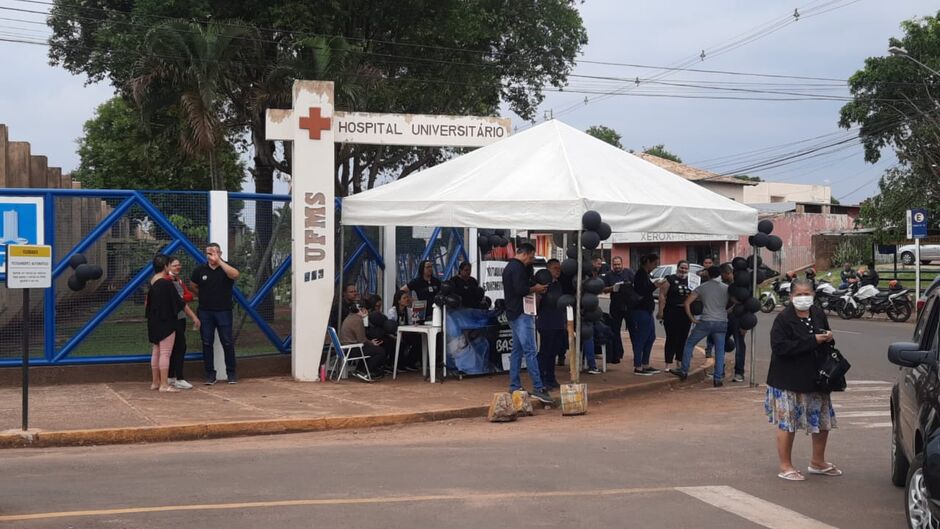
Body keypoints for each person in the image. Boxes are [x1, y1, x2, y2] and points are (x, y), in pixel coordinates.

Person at [765, 278, 840, 481]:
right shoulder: (783, 318)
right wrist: (812, 341)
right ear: (790, 296)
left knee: (822, 422)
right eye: (799, 294)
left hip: (816, 378)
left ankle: (818, 461)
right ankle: (785, 465)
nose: (803, 298)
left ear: (814, 295)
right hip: (788, 380)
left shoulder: (817, 313)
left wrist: (828, 338)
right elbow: (779, 347)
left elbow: (824, 338)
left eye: (807, 293)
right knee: (787, 423)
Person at [502, 243, 552, 403]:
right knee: (530, 350)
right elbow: (520, 289)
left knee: (517, 351)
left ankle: (514, 385)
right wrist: (535, 288)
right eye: (532, 256)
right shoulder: (516, 268)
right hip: (521, 313)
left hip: (514, 312)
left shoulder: (511, 267)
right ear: (527, 253)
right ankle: (538, 387)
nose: (532, 259)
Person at [190, 243, 241, 385]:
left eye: (215, 252)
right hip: (205, 311)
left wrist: (219, 262)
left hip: (224, 311)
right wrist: (204, 295)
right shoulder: (200, 270)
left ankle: (231, 373)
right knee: (207, 342)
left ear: (221, 253)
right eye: (209, 253)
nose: (211, 255)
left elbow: (235, 275)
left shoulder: (227, 267)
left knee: (227, 341)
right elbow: (193, 285)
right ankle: (210, 374)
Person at [671, 264, 730, 387]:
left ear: (708, 274)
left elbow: (687, 303)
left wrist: (692, 318)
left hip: (706, 320)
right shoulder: (726, 288)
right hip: (721, 322)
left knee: (689, 344)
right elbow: (736, 301)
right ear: (719, 274)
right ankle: (718, 378)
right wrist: (726, 312)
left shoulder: (702, 287)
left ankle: (684, 370)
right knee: (719, 350)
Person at [146, 254, 184, 393]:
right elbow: (178, 303)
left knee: (156, 351)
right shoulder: (166, 283)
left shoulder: (152, 282)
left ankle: (155, 382)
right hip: (166, 321)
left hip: (153, 320)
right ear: (165, 266)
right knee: (165, 353)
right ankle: (164, 384)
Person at [164, 257, 200, 390]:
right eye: (174, 265)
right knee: (178, 347)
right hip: (172, 318)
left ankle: (172, 376)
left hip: (180, 317)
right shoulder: (167, 281)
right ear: (167, 267)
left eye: (179, 265)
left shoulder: (177, 280)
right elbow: (180, 299)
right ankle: (178, 377)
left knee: (178, 347)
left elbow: (188, 296)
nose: (178, 267)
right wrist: (181, 298)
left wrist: (180, 298)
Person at [657, 260, 692, 373]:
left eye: (686, 268)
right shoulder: (669, 279)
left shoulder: (691, 280)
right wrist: (661, 311)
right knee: (671, 337)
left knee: (683, 338)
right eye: (681, 267)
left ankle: (679, 361)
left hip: (685, 313)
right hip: (671, 312)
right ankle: (668, 363)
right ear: (677, 267)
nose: (683, 270)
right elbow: (662, 295)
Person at [628, 253, 661, 376]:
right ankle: (638, 366)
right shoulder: (640, 274)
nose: (655, 266)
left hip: (647, 310)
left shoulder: (646, 274)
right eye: (654, 263)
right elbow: (642, 290)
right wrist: (654, 286)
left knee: (650, 337)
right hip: (639, 311)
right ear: (647, 262)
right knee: (640, 338)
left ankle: (645, 363)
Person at [340, 303, 388, 382]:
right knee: (380, 351)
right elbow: (361, 340)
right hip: (351, 349)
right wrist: (372, 343)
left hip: (347, 347)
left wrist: (370, 342)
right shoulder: (357, 320)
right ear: (361, 310)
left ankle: (359, 370)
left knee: (369, 349)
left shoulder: (350, 317)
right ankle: (364, 371)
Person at [537, 259, 566, 389]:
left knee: (554, 351)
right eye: (555, 268)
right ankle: (541, 378)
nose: (558, 271)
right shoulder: (543, 285)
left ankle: (551, 377)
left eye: (559, 268)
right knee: (545, 351)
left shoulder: (558, 284)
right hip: (546, 322)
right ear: (548, 269)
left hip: (558, 321)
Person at [602, 256, 634, 364]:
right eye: (615, 265)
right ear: (612, 265)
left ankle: (637, 354)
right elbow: (604, 290)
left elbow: (636, 285)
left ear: (622, 264)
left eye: (618, 264)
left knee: (634, 331)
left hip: (629, 305)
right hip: (615, 305)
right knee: (615, 330)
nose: (617, 267)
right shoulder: (608, 275)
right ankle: (617, 354)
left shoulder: (628, 272)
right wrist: (612, 288)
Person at [387, 290, 420, 372]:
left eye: (407, 298)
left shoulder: (408, 311)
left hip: (405, 333)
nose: (407, 300)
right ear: (398, 301)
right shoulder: (392, 311)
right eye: (404, 298)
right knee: (397, 342)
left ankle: (410, 362)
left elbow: (411, 323)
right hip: (394, 335)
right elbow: (389, 328)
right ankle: (398, 364)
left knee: (418, 338)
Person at [698, 256, 716, 370]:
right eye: (706, 262)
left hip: (713, 306)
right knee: (696, 328)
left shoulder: (716, 275)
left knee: (712, 329)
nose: (708, 264)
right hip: (700, 305)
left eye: (710, 262)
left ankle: (709, 348)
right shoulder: (699, 274)